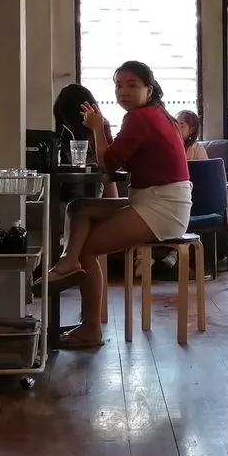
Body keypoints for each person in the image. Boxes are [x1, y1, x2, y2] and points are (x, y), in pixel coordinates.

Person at [45, 61, 192, 348]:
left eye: (132, 85)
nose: (123, 91)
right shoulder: (155, 113)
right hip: (155, 199)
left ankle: (90, 327)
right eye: (119, 86)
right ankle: (68, 262)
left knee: (88, 247)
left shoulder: (139, 117)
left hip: (162, 205)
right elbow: (117, 158)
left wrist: (97, 129)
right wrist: (102, 130)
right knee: (79, 207)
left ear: (149, 90)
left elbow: (108, 164)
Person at [53, 83, 118, 198]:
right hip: (66, 187)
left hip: (95, 186)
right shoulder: (65, 131)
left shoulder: (101, 125)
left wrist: (95, 166)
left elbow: (110, 170)